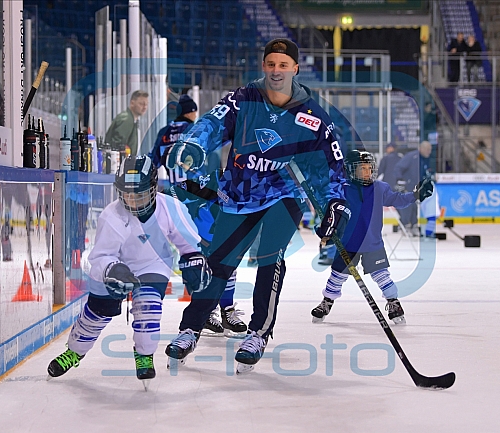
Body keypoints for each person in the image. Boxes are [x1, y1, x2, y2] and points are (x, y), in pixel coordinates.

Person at [163, 38, 349, 373]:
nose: (276, 71)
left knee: (270, 259)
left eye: (283, 65)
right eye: (271, 64)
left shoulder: (312, 116)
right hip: (238, 195)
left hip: (283, 196)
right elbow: (212, 123)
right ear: (264, 66)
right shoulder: (243, 99)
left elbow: (329, 166)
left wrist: (334, 202)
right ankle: (190, 329)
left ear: (294, 68)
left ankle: (258, 332)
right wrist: (192, 144)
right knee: (218, 263)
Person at [47, 155, 206, 388]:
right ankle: (75, 351)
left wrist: (194, 258)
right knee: (97, 313)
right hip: (115, 267)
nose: (132, 200)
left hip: (152, 265)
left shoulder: (171, 207)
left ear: (153, 189)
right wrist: (112, 269)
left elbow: (189, 243)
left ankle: (144, 354)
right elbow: (100, 256)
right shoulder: (112, 215)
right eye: (127, 194)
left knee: (149, 309)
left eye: (139, 194)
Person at [151, 95, 248, 337]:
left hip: (176, 199)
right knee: (221, 253)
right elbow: (211, 164)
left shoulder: (164, 132)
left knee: (194, 256)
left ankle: (212, 312)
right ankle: (222, 310)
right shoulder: (197, 129)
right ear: (192, 112)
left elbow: (153, 162)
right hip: (203, 198)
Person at [311, 150, 433, 324]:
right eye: (362, 169)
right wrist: (325, 231)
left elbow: (397, 199)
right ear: (351, 170)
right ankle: (327, 301)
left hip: (372, 244)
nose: (367, 172)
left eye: (369, 168)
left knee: (382, 275)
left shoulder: (380, 188)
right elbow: (330, 210)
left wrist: (415, 196)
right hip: (348, 243)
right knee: (337, 275)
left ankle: (393, 302)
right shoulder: (342, 189)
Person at [393, 141, 434, 236]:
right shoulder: (411, 156)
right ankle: (406, 225)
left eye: (430, 150)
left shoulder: (424, 159)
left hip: (415, 188)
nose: (429, 152)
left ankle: (414, 225)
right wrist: (400, 181)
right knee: (407, 206)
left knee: (414, 206)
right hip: (406, 186)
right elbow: (398, 168)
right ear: (421, 148)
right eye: (428, 149)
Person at [104, 90, 149, 157]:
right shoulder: (127, 119)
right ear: (132, 103)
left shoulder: (131, 119)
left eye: (146, 104)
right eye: (141, 104)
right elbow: (117, 146)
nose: (144, 107)